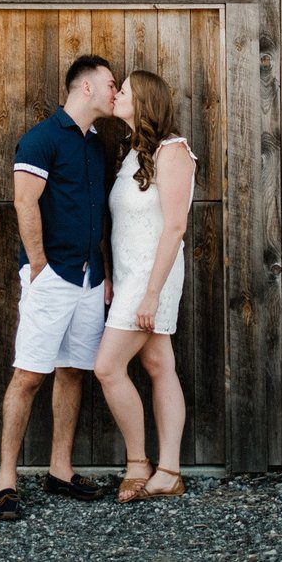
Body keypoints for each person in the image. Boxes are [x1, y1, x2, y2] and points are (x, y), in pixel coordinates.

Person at [0, 54, 117, 523]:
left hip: (89, 281)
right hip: (52, 277)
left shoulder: (98, 146)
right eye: (110, 83)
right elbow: (25, 201)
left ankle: (60, 471)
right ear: (86, 87)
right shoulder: (41, 139)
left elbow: (98, 213)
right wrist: (39, 266)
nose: (114, 90)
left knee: (73, 372)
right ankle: (6, 481)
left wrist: (101, 270)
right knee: (29, 375)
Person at [93, 70, 196, 502]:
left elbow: (174, 228)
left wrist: (151, 293)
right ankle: (168, 471)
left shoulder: (174, 152)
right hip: (131, 276)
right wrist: (113, 276)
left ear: (145, 101)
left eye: (126, 90)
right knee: (158, 367)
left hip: (154, 278)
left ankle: (140, 463)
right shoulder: (134, 154)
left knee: (107, 367)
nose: (117, 94)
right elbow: (126, 227)